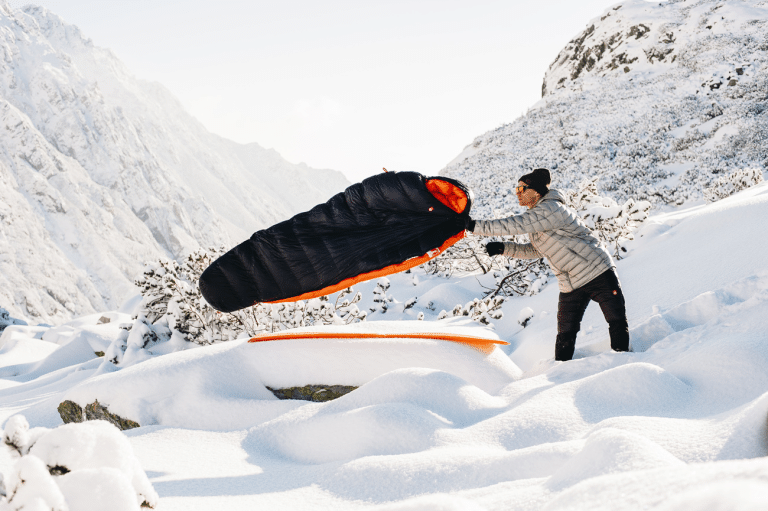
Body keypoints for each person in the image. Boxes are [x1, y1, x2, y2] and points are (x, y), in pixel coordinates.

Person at [466, 168, 629, 361]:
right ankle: (561, 371)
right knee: (565, 333)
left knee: (616, 320)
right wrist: (504, 248)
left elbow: (515, 224)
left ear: (536, 191)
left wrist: (473, 226)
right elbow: (537, 250)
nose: (517, 193)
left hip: (596, 270)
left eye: (521, 189)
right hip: (570, 283)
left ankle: (623, 362)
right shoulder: (537, 216)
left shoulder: (551, 209)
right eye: (516, 189)